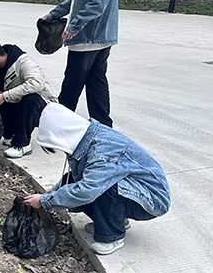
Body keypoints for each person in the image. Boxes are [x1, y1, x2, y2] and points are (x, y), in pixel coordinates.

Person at [21, 103, 170, 256]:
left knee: (101, 186)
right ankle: (117, 220)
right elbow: (81, 175)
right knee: (77, 181)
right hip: (134, 189)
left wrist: (44, 201)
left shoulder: (101, 153)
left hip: (152, 200)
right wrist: (57, 189)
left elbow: (88, 190)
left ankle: (113, 236)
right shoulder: (88, 136)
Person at [42, 0, 118, 127]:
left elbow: (99, 1)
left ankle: (59, 126)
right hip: (98, 38)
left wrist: (74, 26)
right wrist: (52, 15)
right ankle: (103, 127)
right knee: (96, 84)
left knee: (72, 85)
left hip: (88, 38)